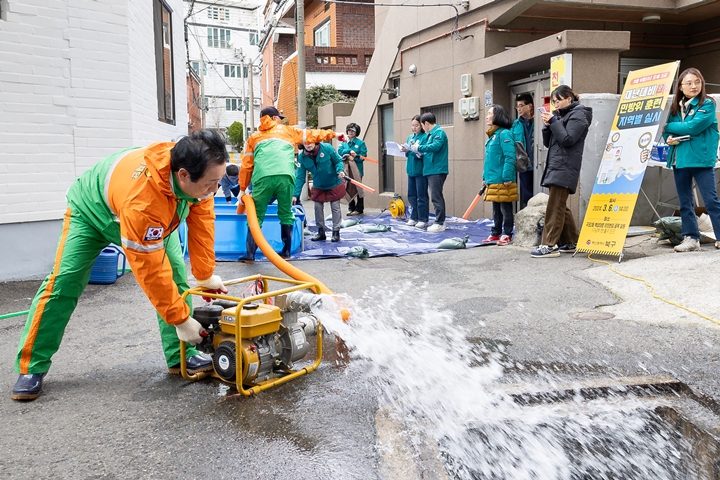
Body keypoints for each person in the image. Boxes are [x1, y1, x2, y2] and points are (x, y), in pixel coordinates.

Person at [12, 130, 230, 401]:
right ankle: (31, 367)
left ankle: (181, 357)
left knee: (175, 275)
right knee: (64, 283)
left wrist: (204, 274)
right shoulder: (145, 201)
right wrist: (180, 319)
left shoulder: (197, 172)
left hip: (150, 212)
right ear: (183, 175)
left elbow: (202, 223)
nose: (215, 189)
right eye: (212, 183)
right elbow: (149, 269)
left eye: (218, 181)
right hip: (91, 213)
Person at [238, 106, 344, 263]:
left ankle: (250, 255)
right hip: (286, 177)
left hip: (262, 178)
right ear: (273, 118)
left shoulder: (254, 137)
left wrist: (242, 189)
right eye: (279, 117)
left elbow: (246, 166)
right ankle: (286, 252)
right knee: (286, 213)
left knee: (256, 215)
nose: (281, 120)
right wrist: (335, 134)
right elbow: (313, 134)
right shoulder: (288, 131)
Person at [532, 85, 592, 258]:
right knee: (560, 205)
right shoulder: (560, 116)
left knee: (555, 205)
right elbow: (548, 142)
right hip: (557, 164)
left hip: (566, 165)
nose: (556, 104)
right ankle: (571, 241)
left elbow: (568, 139)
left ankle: (549, 245)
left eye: (558, 100)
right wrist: (547, 126)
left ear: (569, 98)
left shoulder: (580, 114)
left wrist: (554, 122)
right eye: (554, 102)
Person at [663, 67, 720, 253]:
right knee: (685, 202)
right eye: (688, 83)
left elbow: (693, 127)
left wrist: (670, 126)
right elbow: (668, 134)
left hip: (701, 159)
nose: (693, 86)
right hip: (679, 158)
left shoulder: (708, 104)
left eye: (697, 82)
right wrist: (668, 138)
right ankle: (691, 238)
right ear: (680, 86)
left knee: (711, 200)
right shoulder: (675, 106)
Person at [293, 141, 346, 242]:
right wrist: (295, 194)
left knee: (335, 207)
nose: (308, 145)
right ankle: (321, 232)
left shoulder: (327, 148)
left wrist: (340, 170)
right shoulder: (302, 157)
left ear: (315, 140)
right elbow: (300, 177)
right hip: (318, 185)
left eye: (310, 142)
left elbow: (338, 161)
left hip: (333, 182)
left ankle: (336, 232)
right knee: (317, 208)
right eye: (305, 143)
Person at [482, 105, 518, 246]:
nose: (487, 116)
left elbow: (509, 157)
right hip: (493, 179)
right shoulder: (493, 135)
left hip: (503, 179)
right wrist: (484, 177)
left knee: (505, 208)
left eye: (490, 113)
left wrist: (507, 177)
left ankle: (507, 234)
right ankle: (495, 232)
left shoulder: (504, 134)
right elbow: (489, 160)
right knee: (496, 208)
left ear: (497, 116)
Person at [412, 112, 449, 232]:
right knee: (435, 196)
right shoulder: (431, 134)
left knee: (436, 196)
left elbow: (435, 146)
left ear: (426, 123)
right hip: (430, 169)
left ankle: (440, 222)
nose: (422, 128)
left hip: (437, 169)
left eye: (422, 125)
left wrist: (419, 148)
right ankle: (439, 221)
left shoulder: (439, 133)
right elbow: (428, 151)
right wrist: (418, 152)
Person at [400, 115, 429, 228]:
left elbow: (421, 155)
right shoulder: (410, 137)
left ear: (421, 126)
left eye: (416, 125)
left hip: (420, 171)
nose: (414, 127)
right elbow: (408, 153)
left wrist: (411, 151)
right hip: (410, 170)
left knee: (421, 196)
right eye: (412, 125)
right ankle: (414, 217)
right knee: (411, 195)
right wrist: (404, 150)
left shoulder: (425, 137)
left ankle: (423, 218)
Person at [337, 122, 368, 216]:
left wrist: (355, 157)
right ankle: (351, 207)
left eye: (353, 131)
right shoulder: (343, 142)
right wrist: (348, 152)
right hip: (346, 169)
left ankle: (359, 208)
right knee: (348, 186)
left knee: (358, 188)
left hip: (357, 169)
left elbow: (363, 155)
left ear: (356, 132)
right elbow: (340, 151)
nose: (351, 132)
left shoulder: (361, 143)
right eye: (349, 130)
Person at [511, 93, 535, 208]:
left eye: (521, 105)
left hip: (539, 164)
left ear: (530, 106)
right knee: (527, 195)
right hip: (524, 165)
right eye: (517, 106)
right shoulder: (515, 124)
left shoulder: (539, 121)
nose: (519, 108)